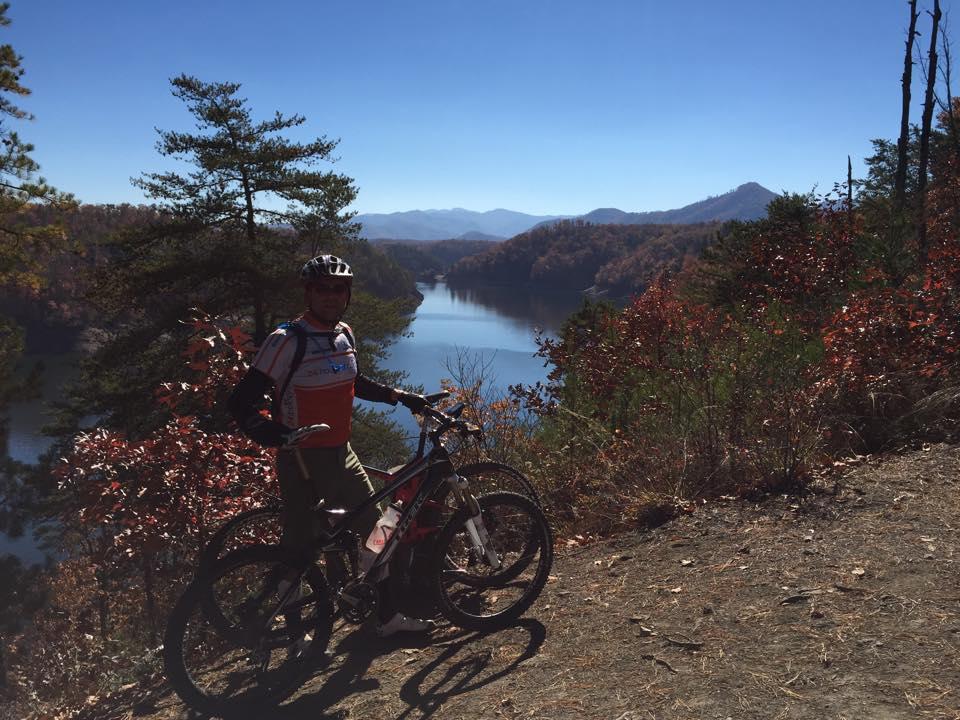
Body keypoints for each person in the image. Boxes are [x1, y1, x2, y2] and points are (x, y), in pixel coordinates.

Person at [227, 253, 432, 637]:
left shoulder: (344, 334)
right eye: (323, 288)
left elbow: (355, 381)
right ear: (308, 292)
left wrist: (401, 396)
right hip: (302, 459)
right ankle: (290, 630)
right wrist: (274, 434)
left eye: (339, 289)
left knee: (377, 532)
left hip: (342, 452)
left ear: (348, 294)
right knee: (299, 549)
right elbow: (240, 402)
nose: (331, 296)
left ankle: (386, 619)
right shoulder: (286, 340)